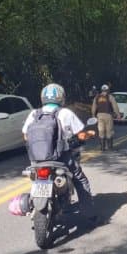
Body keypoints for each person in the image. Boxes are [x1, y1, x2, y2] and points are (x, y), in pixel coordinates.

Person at [22, 83, 95, 220]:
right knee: (81, 180)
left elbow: (25, 136)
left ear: (43, 97)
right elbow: (81, 135)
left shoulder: (34, 114)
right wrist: (90, 134)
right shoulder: (65, 113)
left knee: (35, 178)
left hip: (37, 159)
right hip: (61, 157)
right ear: (61, 98)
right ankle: (89, 215)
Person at [91, 84, 120, 151]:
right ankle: (109, 147)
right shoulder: (110, 97)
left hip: (99, 115)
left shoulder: (97, 97)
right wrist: (118, 114)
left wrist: (93, 115)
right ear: (107, 90)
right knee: (109, 131)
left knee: (101, 131)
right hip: (108, 115)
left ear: (101, 90)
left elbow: (94, 107)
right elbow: (115, 106)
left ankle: (102, 147)